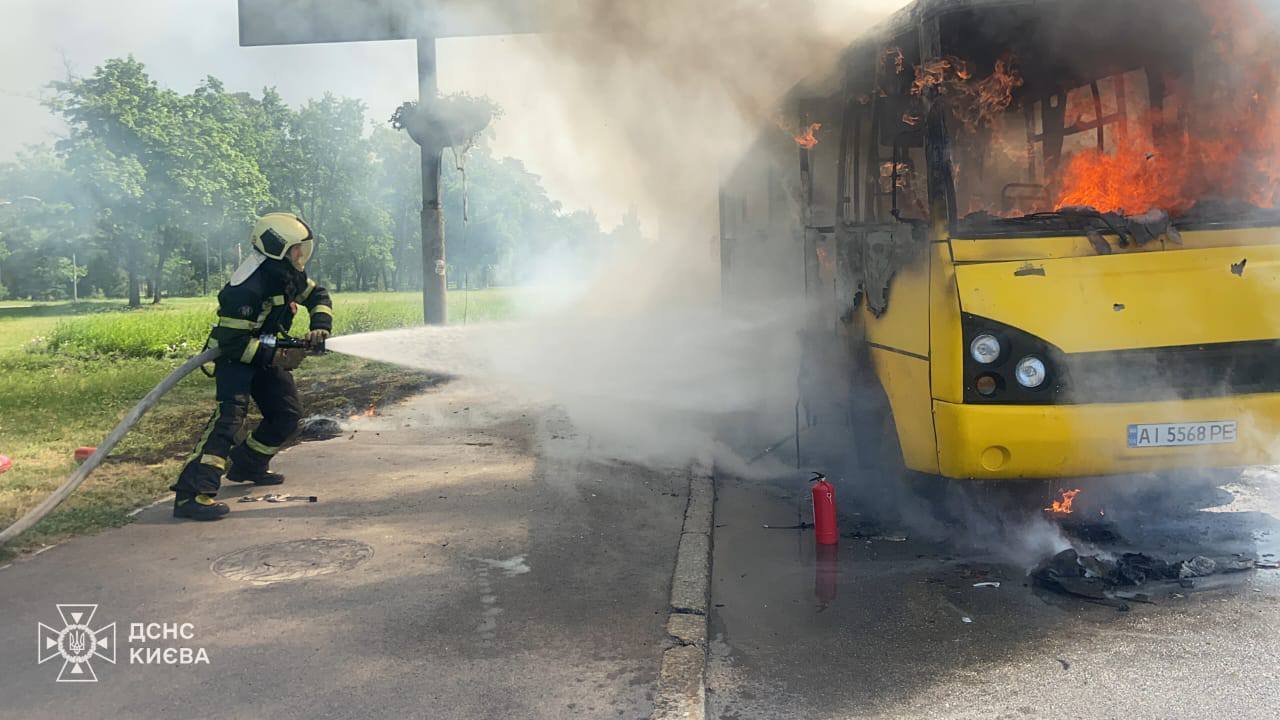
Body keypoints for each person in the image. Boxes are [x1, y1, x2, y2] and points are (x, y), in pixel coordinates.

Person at [171, 212, 333, 521]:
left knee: (287, 414)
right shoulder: (246, 287)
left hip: (266, 351)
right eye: (297, 249)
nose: (301, 255)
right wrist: (277, 357)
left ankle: (248, 464)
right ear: (278, 246)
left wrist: (320, 326)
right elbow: (233, 343)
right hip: (237, 360)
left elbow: (318, 295)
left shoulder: (286, 272)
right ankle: (192, 494)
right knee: (229, 420)